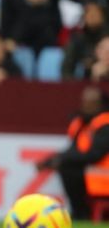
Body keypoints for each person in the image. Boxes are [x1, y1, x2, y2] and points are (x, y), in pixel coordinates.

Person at [37, 85, 109, 220]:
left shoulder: (106, 123)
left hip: (103, 176)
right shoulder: (82, 123)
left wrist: (61, 159)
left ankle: (82, 213)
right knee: (66, 166)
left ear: (101, 104)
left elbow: (95, 154)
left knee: (68, 168)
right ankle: (79, 211)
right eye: (85, 102)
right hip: (92, 173)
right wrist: (52, 160)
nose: (87, 106)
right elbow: (74, 150)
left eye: (92, 103)